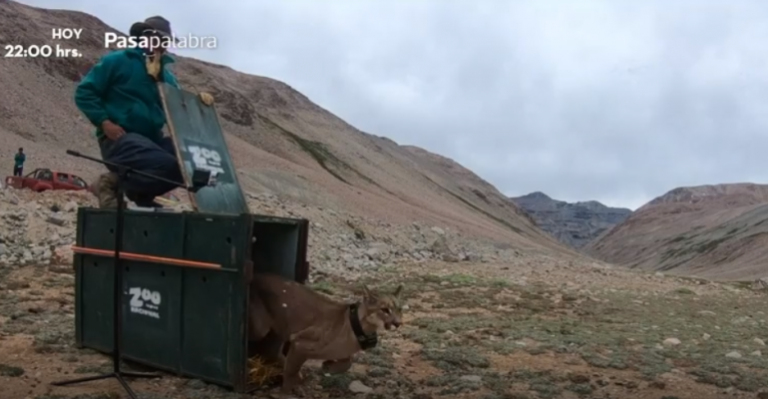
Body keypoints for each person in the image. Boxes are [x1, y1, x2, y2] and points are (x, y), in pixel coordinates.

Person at [74, 16, 214, 209]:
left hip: (152, 142)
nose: (162, 45)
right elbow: (85, 92)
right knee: (170, 166)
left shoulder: (166, 76)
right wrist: (105, 123)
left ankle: (140, 192)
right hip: (120, 139)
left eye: (165, 41)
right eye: (158, 39)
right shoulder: (117, 61)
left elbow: (179, 105)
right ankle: (111, 183)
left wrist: (198, 102)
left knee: (192, 164)